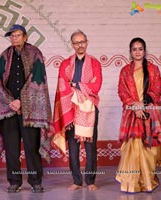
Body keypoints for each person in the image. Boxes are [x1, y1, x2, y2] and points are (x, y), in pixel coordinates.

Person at [0, 24, 52, 193]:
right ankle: (14, 181)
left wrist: (21, 102)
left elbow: (37, 81)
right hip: (9, 110)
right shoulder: (4, 56)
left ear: (25, 37)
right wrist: (11, 102)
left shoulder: (35, 54)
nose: (14, 38)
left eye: (18, 35)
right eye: (12, 36)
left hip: (30, 110)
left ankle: (35, 181)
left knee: (31, 148)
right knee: (11, 148)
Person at [115, 37, 161, 193]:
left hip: (149, 113)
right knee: (131, 147)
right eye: (134, 49)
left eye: (140, 49)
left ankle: (147, 182)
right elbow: (122, 91)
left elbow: (157, 89)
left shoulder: (153, 69)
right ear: (130, 52)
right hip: (132, 114)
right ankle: (131, 183)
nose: (137, 52)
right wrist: (134, 106)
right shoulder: (125, 71)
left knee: (148, 148)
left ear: (144, 51)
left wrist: (143, 105)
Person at [52, 30, 102, 191]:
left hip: (89, 108)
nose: (80, 45)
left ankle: (91, 180)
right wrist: (81, 87)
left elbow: (97, 85)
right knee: (73, 147)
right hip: (71, 109)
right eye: (76, 42)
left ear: (87, 42)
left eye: (82, 42)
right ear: (72, 45)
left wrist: (76, 85)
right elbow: (62, 85)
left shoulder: (95, 63)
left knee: (90, 146)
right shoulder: (65, 64)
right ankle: (76, 181)